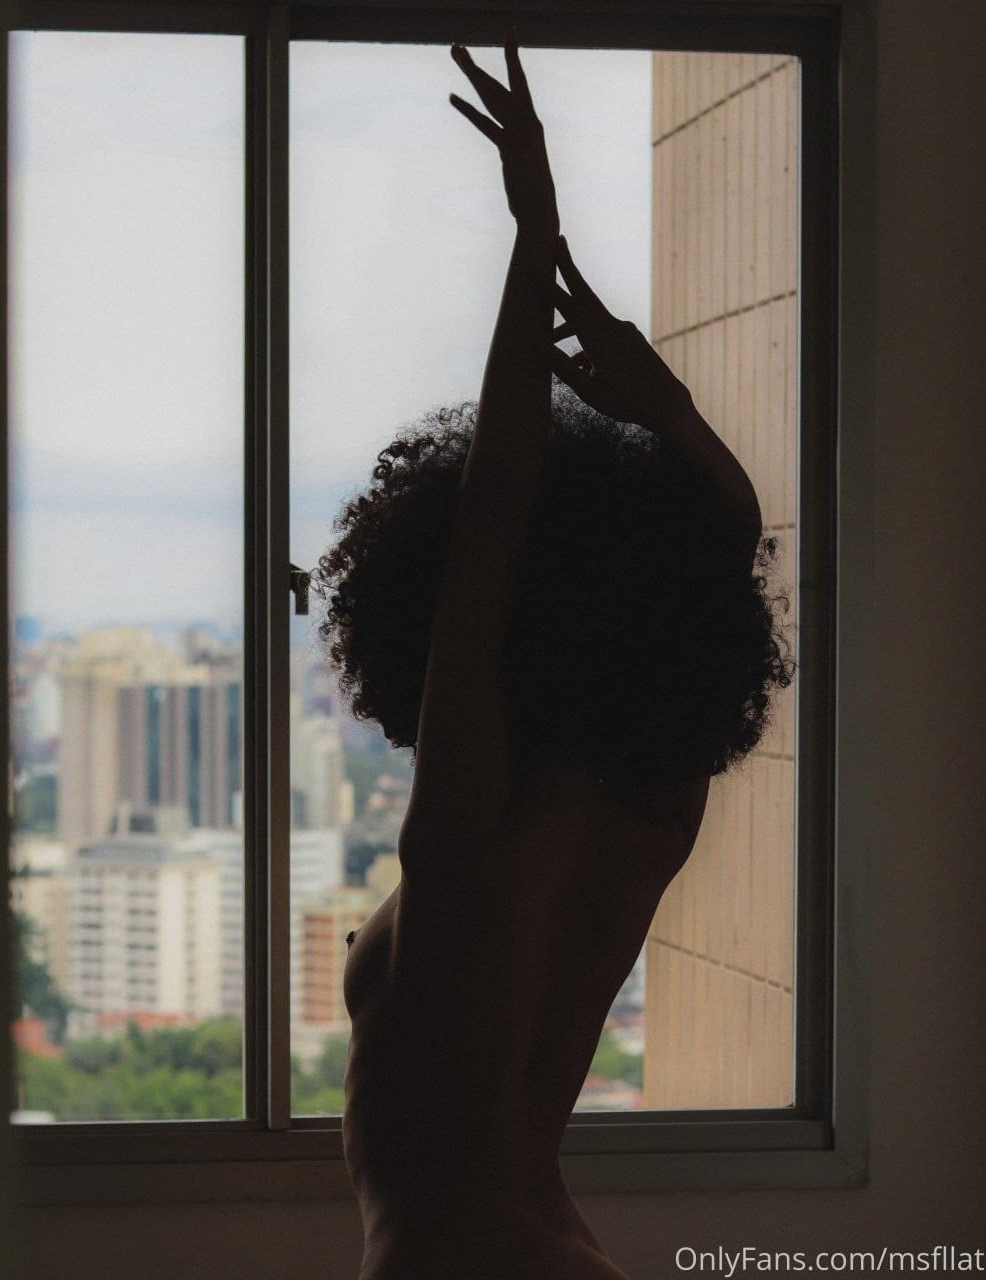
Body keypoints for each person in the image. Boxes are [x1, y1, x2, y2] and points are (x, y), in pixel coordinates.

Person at [316, 32, 794, 1280]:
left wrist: (535, 237)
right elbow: (719, 556)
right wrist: (670, 414)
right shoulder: (649, 812)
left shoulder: (471, 821)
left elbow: (493, 517)